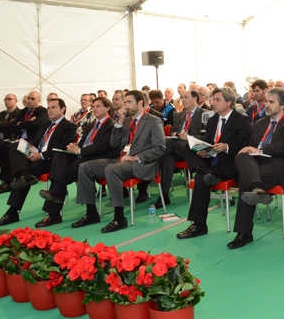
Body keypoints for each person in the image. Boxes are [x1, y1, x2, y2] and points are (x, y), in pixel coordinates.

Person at [72, 90, 165, 233]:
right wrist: (119, 123)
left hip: (140, 162)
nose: (125, 105)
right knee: (85, 167)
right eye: (125, 102)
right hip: (120, 159)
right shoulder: (127, 121)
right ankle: (91, 213)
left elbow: (160, 148)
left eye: (129, 102)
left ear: (140, 103)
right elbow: (115, 144)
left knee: (112, 169)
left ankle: (119, 217)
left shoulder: (153, 121)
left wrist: (136, 157)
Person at [227, 88, 284, 249]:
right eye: (265, 102)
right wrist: (251, 149)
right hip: (258, 165)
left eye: (271, 102)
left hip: (282, 165)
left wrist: (260, 150)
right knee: (242, 156)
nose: (266, 105)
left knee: (245, 180)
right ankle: (258, 188)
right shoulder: (260, 123)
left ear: (283, 105)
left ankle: (244, 233)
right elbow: (252, 146)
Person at [177, 87, 251, 239]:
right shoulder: (212, 120)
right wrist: (203, 150)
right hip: (212, 160)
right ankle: (199, 225)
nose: (213, 103)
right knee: (186, 149)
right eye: (212, 99)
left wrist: (227, 147)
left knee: (201, 178)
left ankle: (198, 225)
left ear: (229, 102)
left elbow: (246, 145)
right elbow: (210, 143)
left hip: (231, 162)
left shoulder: (241, 120)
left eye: (217, 100)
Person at [34, 96, 118, 227]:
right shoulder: (91, 125)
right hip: (84, 155)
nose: (94, 109)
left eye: (98, 106)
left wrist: (79, 151)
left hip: (101, 158)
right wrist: (74, 147)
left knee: (66, 171)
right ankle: (56, 203)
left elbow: (103, 146)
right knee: (60, 156)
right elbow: (83, 142)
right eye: (93, 106)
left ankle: (55, 204)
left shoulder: (111, 125)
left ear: (107, 108)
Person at [0, 98, 76, 226]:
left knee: (54, 164)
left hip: (54, 159)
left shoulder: (69, 126)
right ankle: (13, 210)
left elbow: (62, 148)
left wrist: (40, 155)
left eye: (54, 107)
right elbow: (35, 140)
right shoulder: (46, 124)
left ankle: (53, 214)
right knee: (15, 147)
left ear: (62, 109)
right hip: (37, 156)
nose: (50, 110)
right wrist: (28, 149)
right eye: (48, 108)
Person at [136, 89, 204, 207]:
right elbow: (173, 132)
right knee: (167, 157)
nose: (183, 100)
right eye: (182, 98)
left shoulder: (204, 114)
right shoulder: (179, 115)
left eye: (186, 97)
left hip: (193, 148)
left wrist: (188, 137)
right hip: (175, 148)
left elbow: (206, 136)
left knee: (163, 145)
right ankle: (164, 195)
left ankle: (143, 158)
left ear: (195, 99)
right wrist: (174, 134)